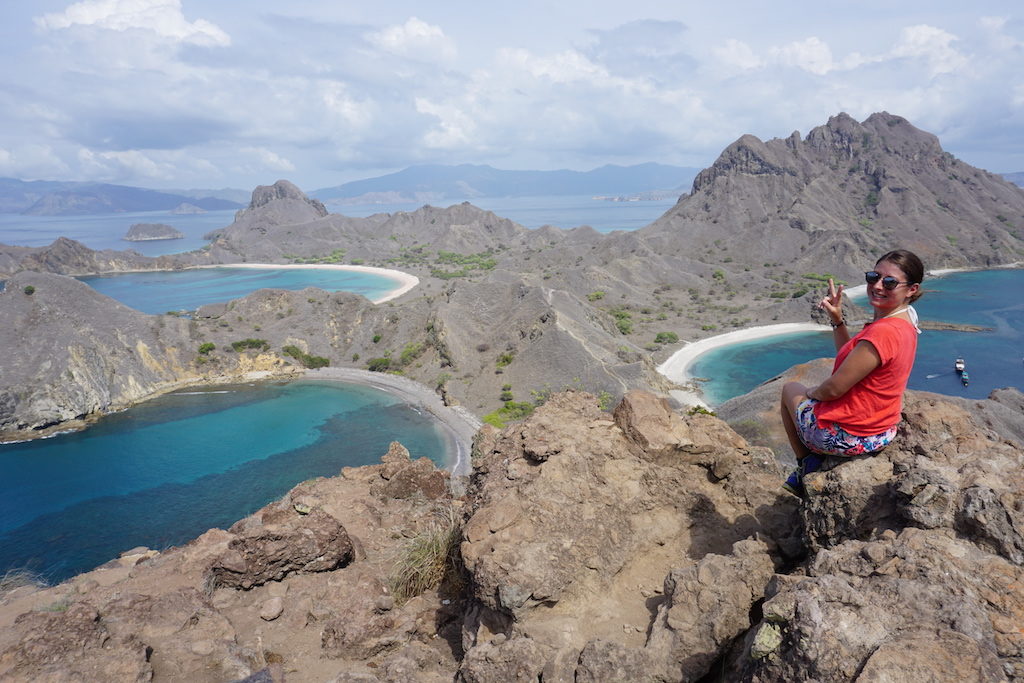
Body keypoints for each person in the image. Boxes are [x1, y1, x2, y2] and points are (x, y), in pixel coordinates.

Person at [780, 249, 924, 497]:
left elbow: (833, 389)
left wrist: (813, 393)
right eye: (873, 277)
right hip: (881, 431)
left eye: (889, 282)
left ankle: (806, 464)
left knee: (790, 389)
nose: (877, 286)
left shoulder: (884, 331)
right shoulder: (906, 321)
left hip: (852, 436)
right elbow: (851, 358)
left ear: (912, 289)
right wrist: (837, 320)